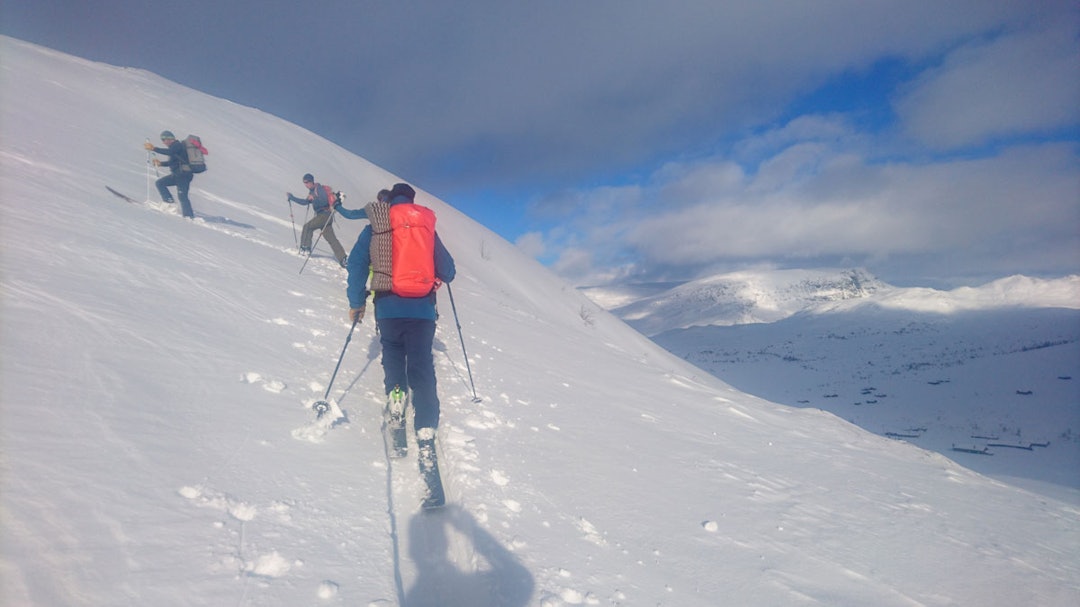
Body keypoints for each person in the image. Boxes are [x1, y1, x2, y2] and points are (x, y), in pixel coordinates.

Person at [346, 183, 455, 504]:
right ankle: (424, 430)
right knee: (421, 367)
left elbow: (355, 265)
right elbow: (448, 271)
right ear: (412, 201)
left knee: (393, 354)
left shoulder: (376, 227)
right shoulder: (425, 228)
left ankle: (396, 396)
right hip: (422, 310)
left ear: (389, 200)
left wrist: (357, 301)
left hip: (388, 308)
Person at [287, 173, 347, 267]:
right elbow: (305, 202)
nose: (305, 184)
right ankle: (343, 259)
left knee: (307, 227)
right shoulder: (312, 192)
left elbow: (324, 201)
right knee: (331, 239)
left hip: (324, 215)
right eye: (304, 183)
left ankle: (305, 248)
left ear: (311, 181)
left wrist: (314, 198)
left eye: (307, 182)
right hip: (325, 217)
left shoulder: (319, 189)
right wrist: (292, 197)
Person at [144, 131, 196, 218]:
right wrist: (161, 163)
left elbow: (170, 152)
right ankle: (169, 203)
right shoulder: (175, 147)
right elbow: (173, 162)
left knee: (182, 196)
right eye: (162, 140)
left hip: (183, 175)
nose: (163, 142)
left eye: (164, 139)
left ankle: (189, 216)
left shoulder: (177, 145)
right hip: (178, 175)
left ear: (170, 139)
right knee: (160, 183)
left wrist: (154, 149)